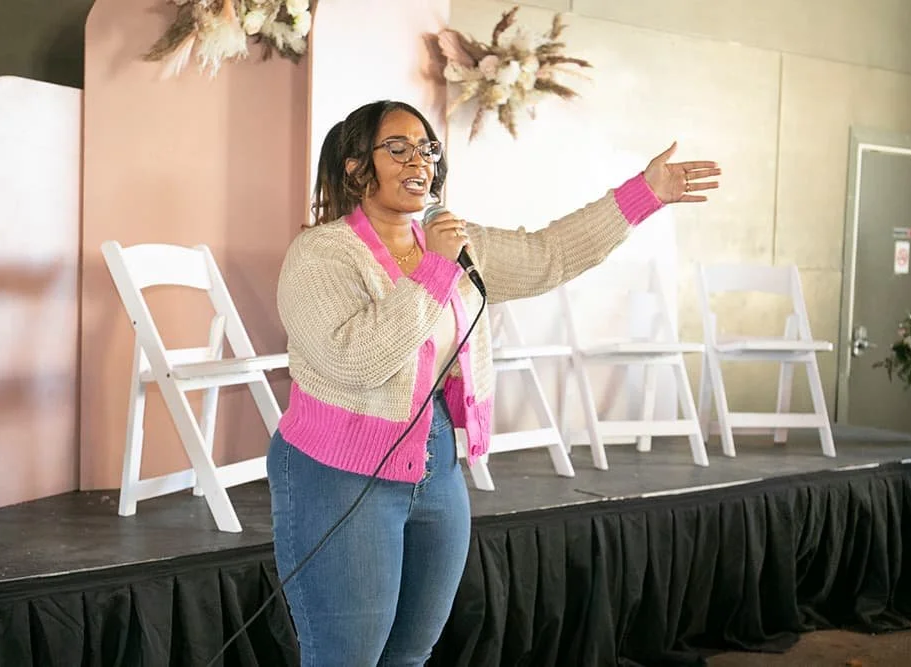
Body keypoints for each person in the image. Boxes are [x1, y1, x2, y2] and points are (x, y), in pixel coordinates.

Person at [267, 99, 720, 666]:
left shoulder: (454, 242)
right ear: (357, 168)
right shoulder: (320, 255)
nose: (421, 160)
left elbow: (548, 255)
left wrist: (643, 194)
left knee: (409, 654)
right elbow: (359, 362)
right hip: (338, 470)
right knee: (346, 657)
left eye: (428, 147)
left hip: (434, 463)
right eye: (398, 148)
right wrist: (436, 267)